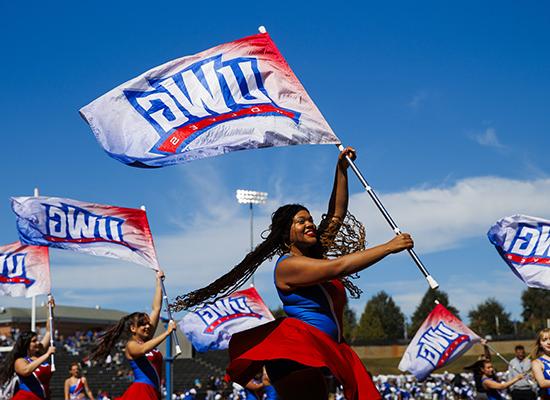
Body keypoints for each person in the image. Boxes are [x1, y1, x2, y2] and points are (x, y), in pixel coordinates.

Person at [171, 147, 414, 400]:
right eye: (301, 221)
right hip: (295, 353)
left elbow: (336, 214)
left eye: (310, 219)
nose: (310, 224)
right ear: (286, 233)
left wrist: (341, 170)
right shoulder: (288, 266)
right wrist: (387, 248)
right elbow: (338, 267)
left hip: (324, 350)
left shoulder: (313, 256)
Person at [90, 271, 176, 400]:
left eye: (148, 323)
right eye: (142, 324)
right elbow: (143, 349)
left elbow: (156, 308)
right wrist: (167, 332)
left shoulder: (147, 339)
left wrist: (158, 282)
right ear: (133, 328)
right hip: (141, 392)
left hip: (153, 391)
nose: (147, 326)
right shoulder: (131, 346)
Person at [0, 299, 56, 400]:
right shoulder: (20, 361)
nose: (38, 343)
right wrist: (47, 355)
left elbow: (49, 332)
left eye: (38, 340)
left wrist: (50, 310)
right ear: (26, 344)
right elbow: (26, 371)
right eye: (34, 341)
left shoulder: (40, 353)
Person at [531, 328, 550, 400]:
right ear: (540, 344)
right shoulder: (537, 363)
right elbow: (542, 383)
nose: (548, 342)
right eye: (544, 340)